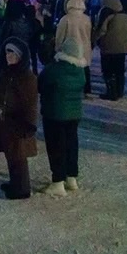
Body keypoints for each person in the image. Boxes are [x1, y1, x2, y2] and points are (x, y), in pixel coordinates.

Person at [0, 37, 38, 200]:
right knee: (11, 154)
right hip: (5, 121)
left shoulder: (26, 77)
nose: (8, 56)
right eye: (6, 52)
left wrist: (29, 124)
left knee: (18, 156)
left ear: (20, 56)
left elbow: (31, 103)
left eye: (12, 53)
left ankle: (22, 189)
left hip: (18, 123)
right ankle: (15, 183)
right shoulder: (7, 73)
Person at [37, 37, 85, 196]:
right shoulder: (80, 70)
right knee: (71, 144)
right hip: (74, 114)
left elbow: (40, 84)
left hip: (55, 113)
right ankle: (71, 177)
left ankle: (58, 182)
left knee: (56, 147)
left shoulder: (54, 69)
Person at [93, 0, 127, 100]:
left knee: (108, 71)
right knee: (120, 71)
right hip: (122, 49)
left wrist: (95, 39)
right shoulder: (126, 16)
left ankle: (111, 92)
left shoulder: (107, 15)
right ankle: (120, 91)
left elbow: (102, 31)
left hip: (108, 48)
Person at [54, 0, 92, 96]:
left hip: (70, 48)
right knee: (85, 68)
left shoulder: (65, 19)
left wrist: (57, 48)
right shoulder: (87, 19)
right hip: (84, 46)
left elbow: (60, 36)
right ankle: (87, 88)